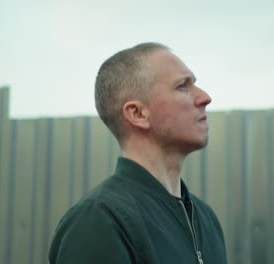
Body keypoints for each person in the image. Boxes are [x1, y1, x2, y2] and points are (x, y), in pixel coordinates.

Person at [48, 42, 227, 264]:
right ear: (137, 113)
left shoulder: (205, 218)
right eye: (183, 86)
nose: (205, 97)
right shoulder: (100, 220)